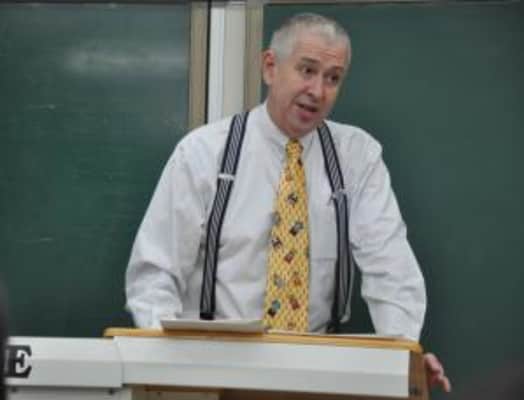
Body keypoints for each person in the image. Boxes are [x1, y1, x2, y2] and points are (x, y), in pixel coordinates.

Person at [126, 13, 450, 392]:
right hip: (210, 373)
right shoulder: (203, 153)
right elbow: (154, 274)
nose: (318, 91)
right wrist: (173, 369)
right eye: (307, 70)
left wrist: (403, 357)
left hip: (317, 378)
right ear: (270, 67)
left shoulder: (357, 157)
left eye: (333, 78)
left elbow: (391, 270)